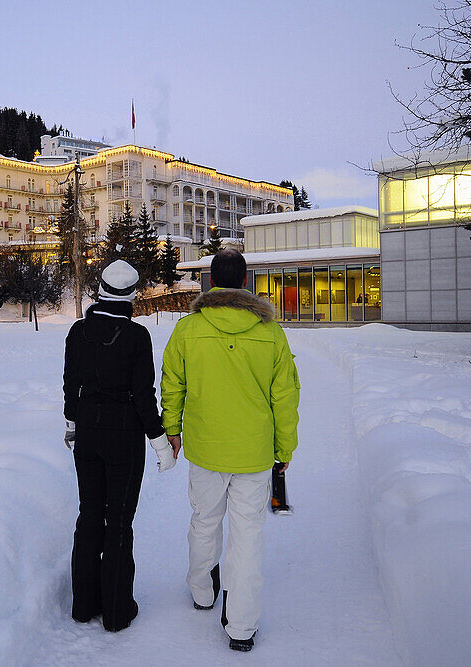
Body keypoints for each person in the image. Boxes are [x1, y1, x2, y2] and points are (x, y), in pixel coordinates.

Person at [160, 249, 300, 652]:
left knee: (205, 521)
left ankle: (203, 593)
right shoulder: (271, 332)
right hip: (254, 454)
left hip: (205, 449)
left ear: (210, 281)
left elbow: (172, 382)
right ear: (245, 282)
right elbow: (285, 396)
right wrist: (284, 446)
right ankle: (241, 626)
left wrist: (173, 428)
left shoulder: (188, 329)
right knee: (248, 536)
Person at [63, 259, 177, 632]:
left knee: (90, 514)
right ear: (130, 295)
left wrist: (72, 425)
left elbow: (70, 385)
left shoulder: (78, 332)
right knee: (119, 522)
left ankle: (83, 605)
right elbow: (144, 396)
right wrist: (160, 442)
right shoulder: (136, 336)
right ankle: (116, 611)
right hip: (123, 437)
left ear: (101, 291)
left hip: (88, 437)